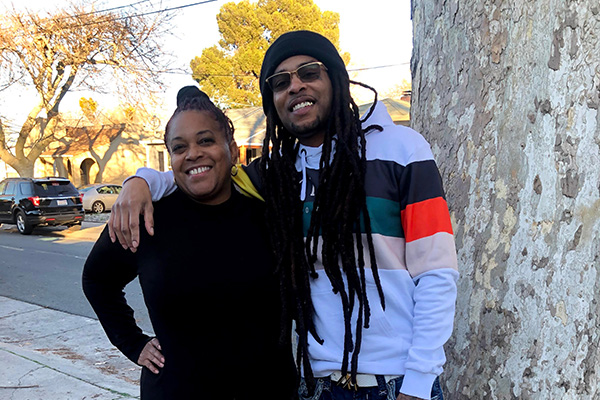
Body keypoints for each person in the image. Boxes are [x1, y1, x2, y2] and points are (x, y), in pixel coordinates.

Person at [109, 31, 459, 400]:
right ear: (272, 100)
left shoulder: (402, 149)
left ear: (336, 80)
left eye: (308, 72)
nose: (295, 86)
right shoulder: (275, 174)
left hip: (397, 384)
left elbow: (436, 272)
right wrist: (140, 181)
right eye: (280, 82)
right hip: (318, 385)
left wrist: (419, 382)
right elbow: (201, 171)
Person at [82, 93, 297, 399]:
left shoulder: (269, 213)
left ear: (232, 151)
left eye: (206, 141)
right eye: (179, 147)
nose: (193, 154)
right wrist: (132, 343)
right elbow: (97, 279)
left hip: (271, 390)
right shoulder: (146, 217)